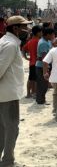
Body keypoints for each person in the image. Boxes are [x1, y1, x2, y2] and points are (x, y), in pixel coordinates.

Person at [0, 16, 31, 166]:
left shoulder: (4, 41)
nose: (27, 29)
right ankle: (7, 161)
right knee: (12, 129)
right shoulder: (11, 45)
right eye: (24, 26)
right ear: (15, 28)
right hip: (8, 94)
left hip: (4, 93)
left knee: (2, 129)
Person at [35, 27, 55, 104]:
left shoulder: (47, 41)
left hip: (43, 66)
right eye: (52, 34)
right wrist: (45, 72)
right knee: (42, 85)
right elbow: (44, 59)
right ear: (48, 35)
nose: (53, 36)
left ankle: (41, 99)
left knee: (44, 84)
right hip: (41, 67)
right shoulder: (43, 43)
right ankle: (40, 100)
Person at [22, 25, 42, 98]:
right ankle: (35, 93)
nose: (42, 33)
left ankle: (29, 93)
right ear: (37, 33)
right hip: (37, 63)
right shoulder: (38, 41)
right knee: (37, 79)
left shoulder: (30, 41)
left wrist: (26, 57)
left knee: (30, 79)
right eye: (40, 32)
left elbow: (23, 49)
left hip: (31, 62)